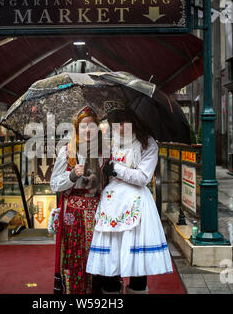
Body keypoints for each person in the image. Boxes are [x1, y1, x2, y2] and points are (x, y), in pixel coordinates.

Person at [86, 101, 173, 294]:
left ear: (134, 121)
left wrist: (116, 169)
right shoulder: (111, 142)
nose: (120, 127)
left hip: (136, 204)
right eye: (116, 123)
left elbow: (143, 177)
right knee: (109, 263)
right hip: (111, 204)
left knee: (137, 265)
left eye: (124, 122)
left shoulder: (148, 144)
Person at [50, 106, 106, 294]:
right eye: (83, 126)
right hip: (73, 213)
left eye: (91, 126)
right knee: (75, 256)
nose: (87, 130)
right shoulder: (67, 152)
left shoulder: (104, 153)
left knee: (100, 258)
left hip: (99, 212)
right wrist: (72, 176)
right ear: (76, 129)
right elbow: (54, 184)